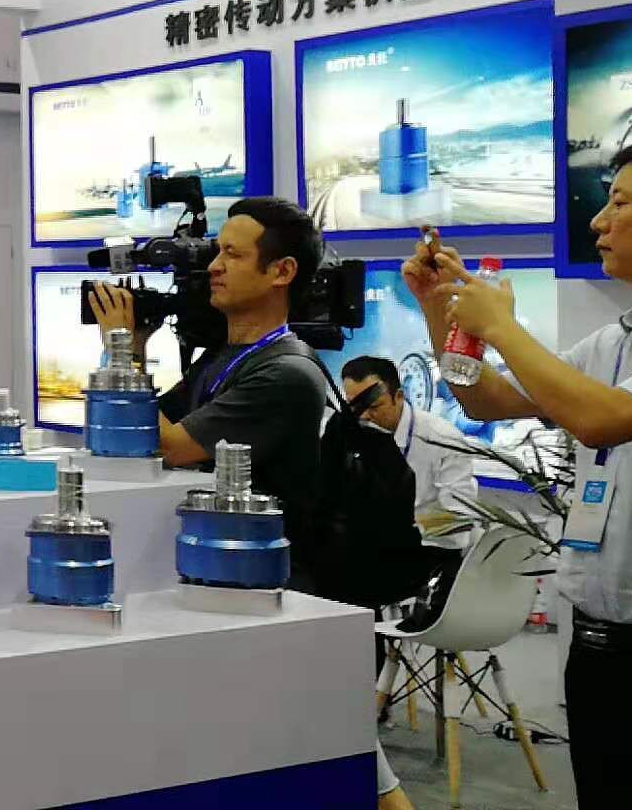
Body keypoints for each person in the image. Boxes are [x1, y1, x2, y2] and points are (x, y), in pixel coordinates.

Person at [404, 139, 632, 808]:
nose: (598, 221)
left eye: (619, 203)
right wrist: (441, 310)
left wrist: (501, 325)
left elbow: (601, 420)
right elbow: (487, 400)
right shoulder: (616, 341)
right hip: (600, 642)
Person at [89, 197, 329, 571]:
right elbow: (139, 437)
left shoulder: (287, 374)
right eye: (217, 252)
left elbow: (170, 446)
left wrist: (119, 351)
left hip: (259, 573)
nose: (215, 267)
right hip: (215, 558)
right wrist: (135, 347)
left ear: (281, 271)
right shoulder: (223, 357)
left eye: (233, 255)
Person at [341, 356, 479, 556]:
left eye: (373, 407)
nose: (363, 416)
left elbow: (459, 520)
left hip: (431, 548)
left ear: (398, 397)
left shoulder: (442, 440)